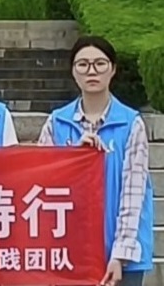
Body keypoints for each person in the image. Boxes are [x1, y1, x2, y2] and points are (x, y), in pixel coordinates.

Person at [38, 36, 153, 286]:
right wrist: (72, 159)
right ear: (73, 71)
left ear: (113, 69)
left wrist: (119, 256)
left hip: (123, 255)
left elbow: (134, 195)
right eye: (83, 64)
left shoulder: (131, 124)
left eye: (100, 63)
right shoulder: (57, 123)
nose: (91, 71)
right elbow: (42, 184)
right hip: (69, 253)